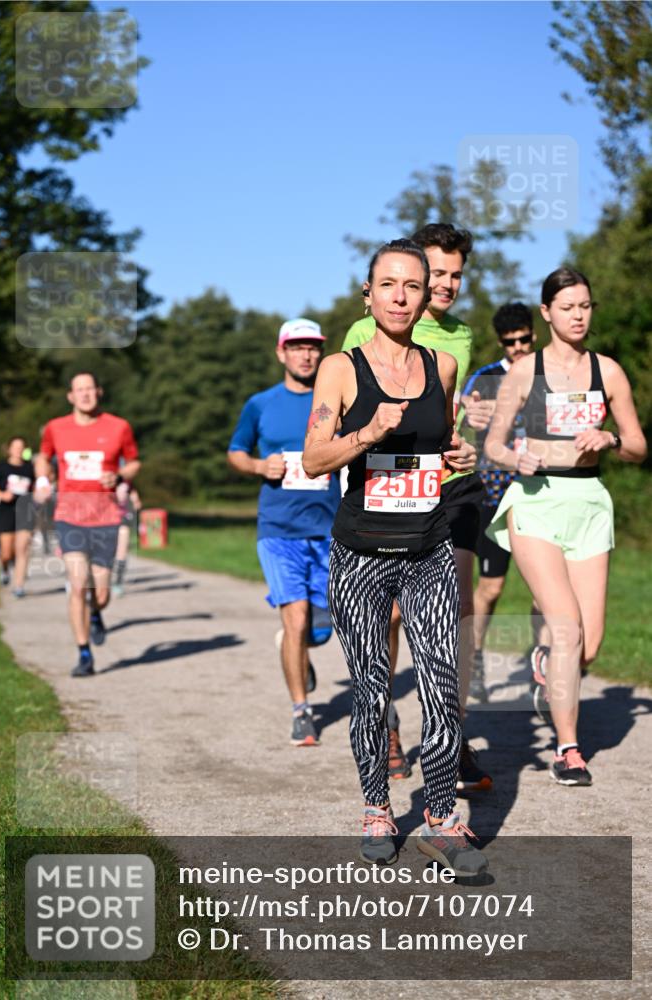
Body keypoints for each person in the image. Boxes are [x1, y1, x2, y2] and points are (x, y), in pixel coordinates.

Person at [303, 239, 487, 875]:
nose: (402, 295)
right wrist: (368, 433)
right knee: (372, 686)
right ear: (368, 294)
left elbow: (443, 441)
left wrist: (458, 453)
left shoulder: (441, 367)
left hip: (429, 546)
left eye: (414, 284)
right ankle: (377, 810)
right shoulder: (341, 368)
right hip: (360, 554)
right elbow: (313, 458)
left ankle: (440, 819)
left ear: (426, 292)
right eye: (389, 285)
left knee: (440, 683)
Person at [342, 223, 491, 792]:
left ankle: (452, 733)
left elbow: (448, 412)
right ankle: (386, 723)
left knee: (455, 611)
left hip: (447, 483)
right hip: (385, 485)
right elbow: (346, 404)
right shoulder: (367, 327)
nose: (445, 285)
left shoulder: (460, 337)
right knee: (395, 614)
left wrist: (464, 440)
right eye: (438, 274)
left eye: (455, 275)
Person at [485, 267, 647, 786]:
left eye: (586, 306)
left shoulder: (609, 372)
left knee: (589, 645)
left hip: (589, 501)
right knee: (567, 628)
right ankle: (569, 749)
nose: (579, 315)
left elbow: (640, 446)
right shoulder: (523, 371)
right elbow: (492, 443)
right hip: (534, 501)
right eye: (569, 307)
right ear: (547, 313)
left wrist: (610, 440)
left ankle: (544, 662)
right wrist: (515, 460)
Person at [227, 319, 342, 747]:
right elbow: (236, 451)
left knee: (321, 628)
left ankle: (298, 648)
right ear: (281, 353)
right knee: (294, 617)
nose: (306, 355)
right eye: (297, 347)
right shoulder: (261, 404)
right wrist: (260, 466)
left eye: (313, 347)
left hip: (330, 528)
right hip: (278, 529)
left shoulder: (335, 401)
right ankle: (301, 710)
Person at [34, 372, 141, 677]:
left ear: (99, 392)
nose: (85, 395)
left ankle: (96, 614)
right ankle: (84, 653)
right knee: (78, 585)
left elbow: (134, 462)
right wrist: (43, 479)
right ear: (70, 396)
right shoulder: (56, 427)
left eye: (90, 389)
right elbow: (43, 456)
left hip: (106, 517)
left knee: (101, 594)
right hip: (70, 516)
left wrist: (119, 476)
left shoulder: (118, 426)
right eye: (79, 390)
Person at [461, 302, 538, 699]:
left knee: (545, 588)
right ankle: (473, 659)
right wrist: (469, 408)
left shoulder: (550, 375)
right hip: (492, 495)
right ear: (501, 343)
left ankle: (543, 662)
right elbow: (460, 410)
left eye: (524, 339)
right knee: (490, 588)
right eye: (511, 343)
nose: (519, 347)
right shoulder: (486, 377)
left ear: (534, 334)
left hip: (541, 495)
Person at [0, 436, 35, 596]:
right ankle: (5, 569)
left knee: (22, 548)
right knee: (7, 552)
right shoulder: (1, 467)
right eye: (15, 447)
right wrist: (1, 494)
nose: (18, 450)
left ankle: (19, 585)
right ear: (9, 449)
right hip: (4, 511)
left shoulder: (29, 468)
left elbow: (35, 488)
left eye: (21, 447)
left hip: (24, 512)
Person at [111, 480, 142, 597]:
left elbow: (136, 501)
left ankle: (118, 582)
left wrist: (135, 501)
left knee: (122, 551)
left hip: (124, 518)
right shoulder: (102, 475)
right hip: (106, 519)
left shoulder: (127, 482)